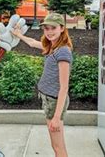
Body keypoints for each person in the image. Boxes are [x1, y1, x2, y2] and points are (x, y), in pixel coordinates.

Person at [12, 13, 72, 157]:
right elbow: (33, 43)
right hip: (48, 99)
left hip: (54, 101)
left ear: (62, 28)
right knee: (55, 145)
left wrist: (57, 117)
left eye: (53, 28)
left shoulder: (63, 51)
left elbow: (64, 87)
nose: (50, 32)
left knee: (58, 146)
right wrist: (18, 34)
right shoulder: (52, 46)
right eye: (46, 28)